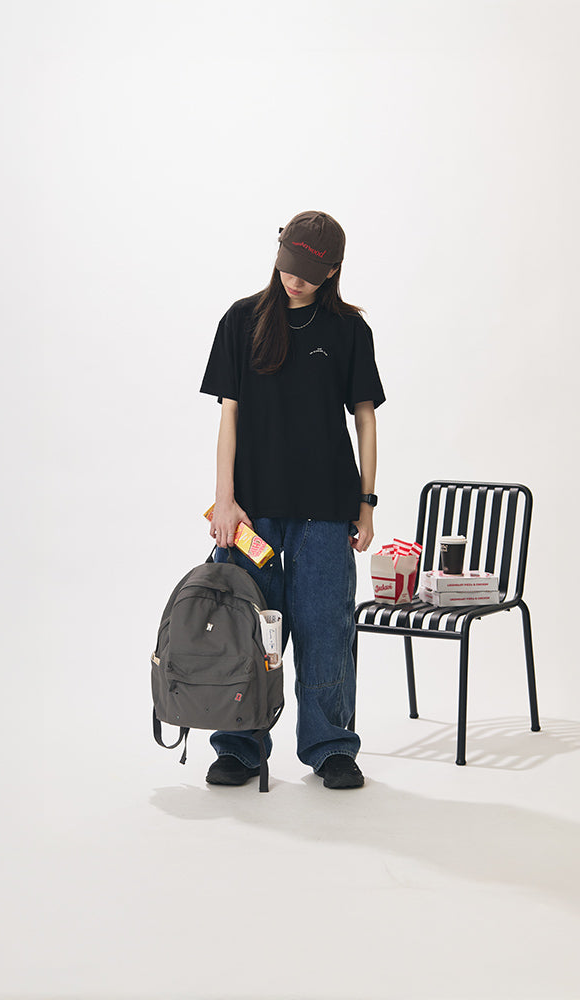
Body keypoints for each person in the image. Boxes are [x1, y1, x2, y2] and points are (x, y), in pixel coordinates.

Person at [199, 210, 385, 789]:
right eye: (288, 265)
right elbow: (229, 416)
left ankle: (331, 747)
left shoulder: (349, 331)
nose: (295, 279)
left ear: (332, 271)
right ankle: (239, 745)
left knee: (326, 631)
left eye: (308, 270)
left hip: (326, 511)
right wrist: (224, 500)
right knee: (246, 631)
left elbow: (365, 419)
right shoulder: (241, 320)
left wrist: (367, 503)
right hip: (252, 512)